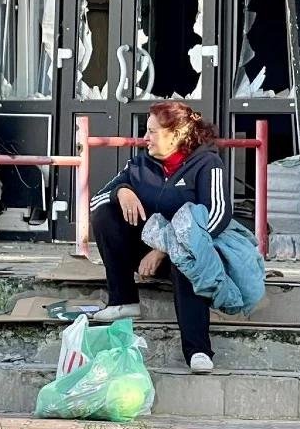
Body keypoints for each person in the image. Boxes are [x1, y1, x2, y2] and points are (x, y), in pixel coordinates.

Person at [89, 101, 230, 374]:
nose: (145, 138)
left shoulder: (207, 163)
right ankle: (122, 300)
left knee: (184, 257)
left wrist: (165, 247)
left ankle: (198, 349)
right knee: (105, 213)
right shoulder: (140, 164)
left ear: (175, 134)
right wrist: (122, 190)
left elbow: (217, 216)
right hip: (144, 254)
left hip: (193, 254)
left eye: (152, 131)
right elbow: (96, 200)